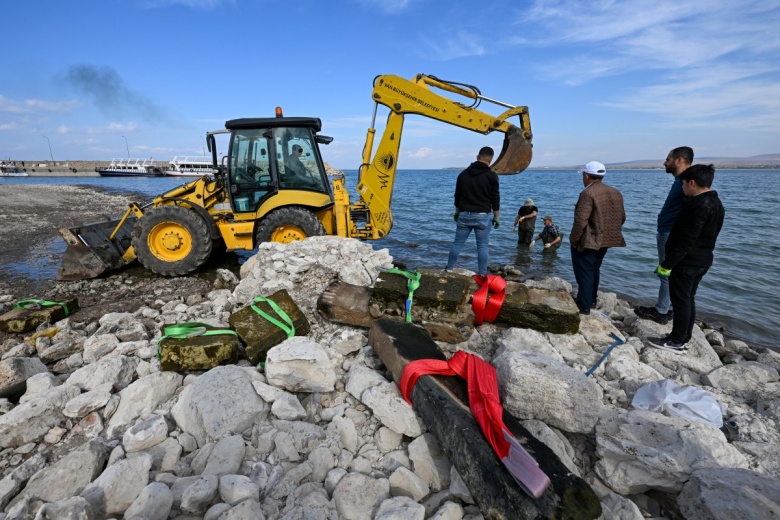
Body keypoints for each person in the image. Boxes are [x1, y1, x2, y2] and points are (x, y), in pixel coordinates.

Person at [648, 164, 725, 352]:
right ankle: (684, 336)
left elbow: (686, 240)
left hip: (687, 262)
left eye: (683, 184)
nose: (681, 188)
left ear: (692, 183)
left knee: (681, 301)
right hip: (703, 259)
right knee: (688, 298)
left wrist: (667, 264)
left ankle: (676, 341)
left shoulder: (699, 206)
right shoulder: (716, 202)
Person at [635, 146, 694, 324]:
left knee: (666, 272)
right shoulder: (681, 180)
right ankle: (667, 308)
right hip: (668, 231)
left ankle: (661, 311)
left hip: (670, 233)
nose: (664, 162)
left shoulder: (687, 181)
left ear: (679, 160)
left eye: (668, 159)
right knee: (669, 272)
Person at [570, 161, 626, 314]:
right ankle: (592, 299)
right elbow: (622, 217)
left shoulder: (588, 193)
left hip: (589, 241)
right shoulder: (616, 192)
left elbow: (580, 220)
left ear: (587, 176)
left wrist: (574, 240)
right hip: (606, 240)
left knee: (585, 272)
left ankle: (584, 304)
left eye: (583, 175)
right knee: (595, 269)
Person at [445, 146, 500, 277]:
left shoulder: (463, 174)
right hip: (482, 216)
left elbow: (457, 195)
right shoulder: (492, 176)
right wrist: (496, 217)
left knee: (457, 244)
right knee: (482, 246)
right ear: (490, 160)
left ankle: (449, 269)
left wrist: (457, 212)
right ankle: (482, 274)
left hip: (464, 214)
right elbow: (495, 197)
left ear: (477, 157)